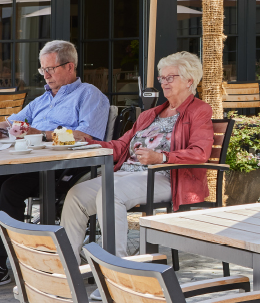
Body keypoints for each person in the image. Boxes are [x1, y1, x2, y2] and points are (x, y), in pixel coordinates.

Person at [59, 51, 214, 287]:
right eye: (162, 78)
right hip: (128, 175)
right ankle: (68, 268)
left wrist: (160, 156)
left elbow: (200, 152)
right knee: (76, 195)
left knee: (111, 194)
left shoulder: (199, 111)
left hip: (167, 176)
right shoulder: (151, 114)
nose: (164, 83)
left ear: (189, 80)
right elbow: (121, 146)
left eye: (170, 77)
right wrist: (87, 142)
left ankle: (116, 273)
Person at [0, 40, 110, 290]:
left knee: (12, 187)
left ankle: (2, 263)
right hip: (31, 162)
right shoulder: (42, 99)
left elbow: (86, 137)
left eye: (51, 69)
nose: (46, 74)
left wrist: (41, 133)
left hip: (65, 167)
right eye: (43, 69)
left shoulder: (89, 94)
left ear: (70, 66)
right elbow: (12, 121)